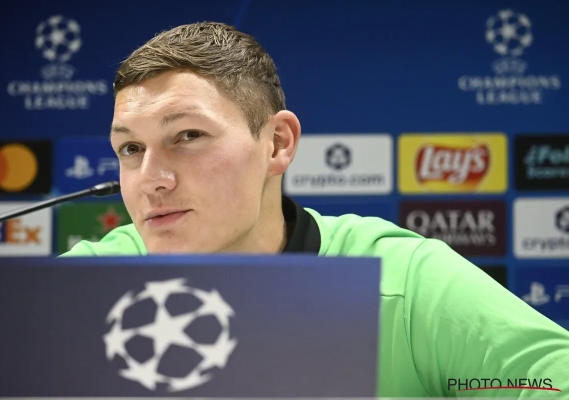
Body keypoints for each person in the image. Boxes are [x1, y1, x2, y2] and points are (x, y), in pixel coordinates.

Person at [61, 21, 569, 397]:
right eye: (130, 148)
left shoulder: (398, 280)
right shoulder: (77, 289)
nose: (151, 178)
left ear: (277, 143)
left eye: (188, 136)